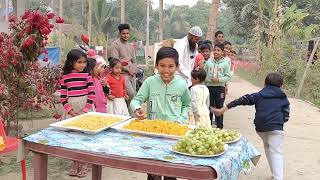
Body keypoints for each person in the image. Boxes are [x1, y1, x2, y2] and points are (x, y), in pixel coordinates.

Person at [211, 72, 290, 180]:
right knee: (277, 152)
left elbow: (242, 100)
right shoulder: (283, 98)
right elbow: (286, 114)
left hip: (261, 128)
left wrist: (224, 109)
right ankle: (278, 177)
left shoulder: (259, 95)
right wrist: (281, 122)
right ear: (281, 86)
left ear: (265, 84)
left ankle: (274, 174)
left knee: (268, 147)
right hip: (276, 128)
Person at [130, 47, 191, 180]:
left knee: (171, 172)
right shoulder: (150, 82)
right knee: (153, 172)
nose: (166, 70)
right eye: (162, 66)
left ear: (177, 67)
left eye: (171, 66)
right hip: (153, 135)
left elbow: (187, 105)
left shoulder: (182, 85)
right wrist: (137, 108)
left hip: (174, 133)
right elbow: (136, 100)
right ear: (156, 65)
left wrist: (181, 119)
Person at [60, 49, 95, 177]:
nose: (82, 65)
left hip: (86, 110)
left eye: (84, 62)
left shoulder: (87, 76)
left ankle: (85, 164)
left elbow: (92, 94)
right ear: (71, 63)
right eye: (79, 62)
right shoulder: (64, 77)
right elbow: (63, 97)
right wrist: (70, 110)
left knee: (85, 137)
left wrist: (85, 110)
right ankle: (75, 164)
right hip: (71, 111)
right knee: (73, 138)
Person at [110, 23, 136, 114]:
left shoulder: (130, 45)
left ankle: (128, 115)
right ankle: (128, 115)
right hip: (121, 74)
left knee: (133, 96)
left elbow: (134, 60)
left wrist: (133, 69)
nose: (126, 35)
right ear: (119, 34)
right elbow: (115, 62)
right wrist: (128, 70)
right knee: (131, 94)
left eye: (127, 33)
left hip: (132, 74)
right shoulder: (115, 45)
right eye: (123, 33)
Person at [204, 44, 231, 128]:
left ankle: (219, 127)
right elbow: (204, 74)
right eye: (215, 50)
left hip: (220, 88)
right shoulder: (208, 63)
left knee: (219, 107)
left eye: (218, 50)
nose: (216, 52)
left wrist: (219, 80)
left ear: (222, 52)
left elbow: (228, 76)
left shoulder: (225, 64)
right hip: (209, 88)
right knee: (209, 107)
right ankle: (208, 126)